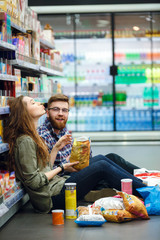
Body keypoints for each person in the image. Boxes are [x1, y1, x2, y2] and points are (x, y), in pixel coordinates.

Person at [4, 95, 146, 213]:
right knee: (101, 165)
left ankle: (145, 184)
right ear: (24, 112)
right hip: (52, 199)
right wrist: (62, 167)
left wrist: (56, 148)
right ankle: (147, 192)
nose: (40, 103)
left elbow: (45, 168)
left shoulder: (32, 136)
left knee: (103, 159)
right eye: (33, 103)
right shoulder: (25, 141)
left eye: (65, 110)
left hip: (58, 186)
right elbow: (34, 181)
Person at [38, 93, 140, 176]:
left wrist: (84, 151)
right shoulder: (43, 135)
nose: (60, 113)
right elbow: (46, 173)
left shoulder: (62, 128)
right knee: (103, 165)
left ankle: (146, 176)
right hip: (64, 178)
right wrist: (65, 163)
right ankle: (144, 185)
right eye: (56, 109)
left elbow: (75, 155)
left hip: (77, 170)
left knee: (112, 158)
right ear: (47, 113)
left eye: (64, 110)